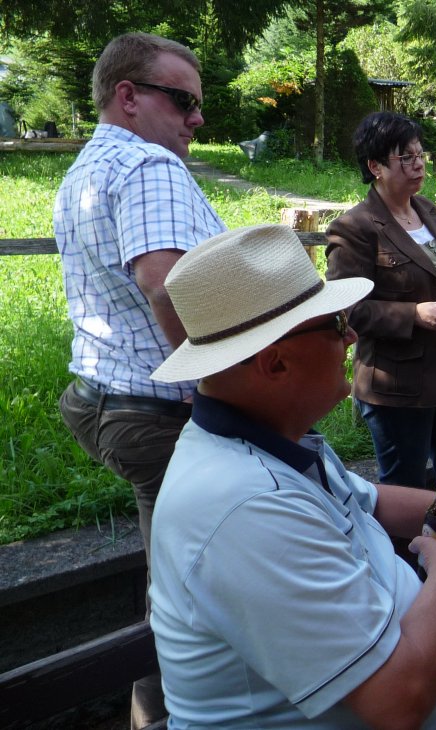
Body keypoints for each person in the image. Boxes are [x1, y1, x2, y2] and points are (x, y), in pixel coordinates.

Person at [147, 223, 436, 728]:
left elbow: (369, 499)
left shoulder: (269, 441)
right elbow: (399, 703)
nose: (352, 336)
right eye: (336, 325)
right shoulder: (245, 508)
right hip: (422, 700)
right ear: (275, 364)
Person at [53, 31, 226, 728]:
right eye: (183, 101)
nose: (197, 118)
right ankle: (167, 715)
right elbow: (164, 282)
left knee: (175, 576)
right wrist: (221, 388)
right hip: (157, 413)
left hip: (104, 399)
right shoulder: (150, 164)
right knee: (185, 590)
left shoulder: (84, 170)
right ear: (127, 96)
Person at [326, 112, 436, 497]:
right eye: (405, 157)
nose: (418, 165)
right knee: (405, 494)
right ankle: (405, 544)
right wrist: (413, 314)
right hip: (397, 386)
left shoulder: (429, 211)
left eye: (420, 154)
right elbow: (346, 309)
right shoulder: (355, 227)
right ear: (375, 167)